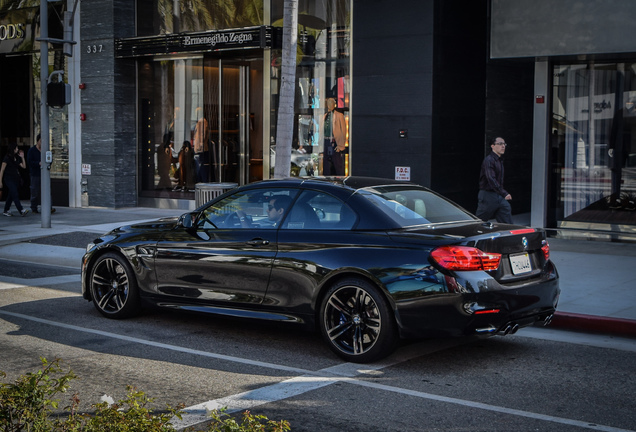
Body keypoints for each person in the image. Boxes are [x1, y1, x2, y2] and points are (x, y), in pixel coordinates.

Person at [476, 136, 513, 224]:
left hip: (498, 195)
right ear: (492, 146)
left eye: (504, 144)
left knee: (506, 211)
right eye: (500, 144)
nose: (503, 146)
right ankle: (472, 234)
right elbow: (491, 179)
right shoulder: (489, 160)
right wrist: (503, 192)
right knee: (480, 221)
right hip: (488, 195)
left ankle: (508, 236)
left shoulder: (499, 160)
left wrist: (501, 193)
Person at [26, 134, 55, 214]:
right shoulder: (32, 151)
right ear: (37, 141)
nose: (42, 143)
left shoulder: (45, 151)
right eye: (40, 141)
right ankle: (34, 207)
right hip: (35, 174)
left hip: (44, 173)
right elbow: (30, 162)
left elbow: (50, 160)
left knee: (47, 191)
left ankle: (49, 207)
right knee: (34, 191)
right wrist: (37, 163)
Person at [1, 142, 30, 217]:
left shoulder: (16, 158)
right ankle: (21, 210)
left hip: (16, 179)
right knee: (15, 193)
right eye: (16, 148)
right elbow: (2, 170)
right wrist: (0, 181)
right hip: (8, 178)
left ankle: (6, 210)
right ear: (13, 149)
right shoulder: (6, 158)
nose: (17, 149)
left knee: (11, 195)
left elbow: (24, 166)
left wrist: (22, 157)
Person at [320, 97, 346, 175]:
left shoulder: (339, 115)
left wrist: (341, 145)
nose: (329, 105)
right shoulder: (325, 115)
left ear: (334, 105)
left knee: (337, 163)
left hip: (335, 141)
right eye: (328, 103)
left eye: (331, 103)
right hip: (326, 140)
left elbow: (343, 131)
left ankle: (340, 179)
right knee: (326, 163)